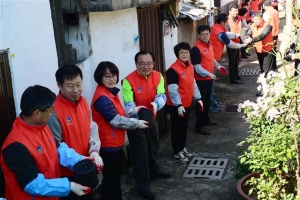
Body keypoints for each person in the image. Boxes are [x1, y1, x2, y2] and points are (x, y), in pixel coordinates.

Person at [0, 85, 95, 200]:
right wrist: (68, 186)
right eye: (50, 110)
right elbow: (32, 184)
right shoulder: (16, 146)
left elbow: (58, 148)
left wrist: (79, 160)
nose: (53, 113)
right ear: (37, 113)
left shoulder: (41, 126)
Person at [91, 61, 149, 200]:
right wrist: (137, 123)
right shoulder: (102, 98)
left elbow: (119, 113)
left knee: (116, 178)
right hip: (107, 145)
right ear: (100, 78)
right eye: (107, 76)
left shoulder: (110, 93)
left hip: (115, 143)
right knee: (111, 180)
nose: (112, 79)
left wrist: (133, 110)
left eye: (114, 75)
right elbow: (115, 121)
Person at [47, 65, 103, 200]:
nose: (76, 90)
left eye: (78, 84)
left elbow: (92, 127)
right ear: (59, 86)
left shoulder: (83, 101)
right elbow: (55, 146)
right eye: (70, 86)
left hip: (87, 166)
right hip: (68, 173)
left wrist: (94, 151)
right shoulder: (53, 112)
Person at [121, 50, 171, 200]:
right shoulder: (128, 81)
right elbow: (129, 107)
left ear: (153, 63)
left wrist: (156, 105)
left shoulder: (158, 76)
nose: (146, 66)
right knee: (140, 153)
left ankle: (155, 171)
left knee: (153, 145)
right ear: (136, 64)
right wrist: (137, 120)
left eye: (149, 63)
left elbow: (162, 95)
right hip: (135, 121)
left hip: (151, 116)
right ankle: (143, 185)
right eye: (141, 63)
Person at [165, 42, 203, 163]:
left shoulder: (190, 66)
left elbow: (193, 83)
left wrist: (198, 98)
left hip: (187, 104)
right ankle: (177, 152)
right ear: (177, 54)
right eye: (182, 52)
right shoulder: (173, 70)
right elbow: (172, 90)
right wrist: (178, 105)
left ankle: (181, 147)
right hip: (176, 106)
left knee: (184, 128)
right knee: (176, 129)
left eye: (186, 52)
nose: (185, 54)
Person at [191, 25, 227, 136]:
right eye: (202, 34)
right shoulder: (196, 48)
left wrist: (219, 66)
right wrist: (208, 74)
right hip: (200, 80)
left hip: (209, 78)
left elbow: (212, 59)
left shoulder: (210, 44)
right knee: (201, 103)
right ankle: (199, 126)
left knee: (207, 101)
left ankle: (206, 119)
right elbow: (196, 66)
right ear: (198, 35)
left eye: (207, 34)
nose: (205, 36)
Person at [210, 13, 248, 112]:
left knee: (211, 82)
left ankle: (213, 100)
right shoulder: (220, 32)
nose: (227, 24)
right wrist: (241, 46)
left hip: (212, 58)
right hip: (211, 60)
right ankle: (211, 104)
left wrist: (237, 35)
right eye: (226, 22)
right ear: (222, 22)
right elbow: (230, 44)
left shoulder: (214, 28)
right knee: (210, 83)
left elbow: (226, 35)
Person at [247, 12, 274, 77]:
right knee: (261, 67)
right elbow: (248, 33)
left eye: (257, 19)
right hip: (258, 49)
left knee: (266, 68)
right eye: (254, 19)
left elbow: (263, 35)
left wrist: (252, 40)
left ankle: (268, 80)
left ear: (261, 18)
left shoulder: (268, 26)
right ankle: (264, 77)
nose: (255, 21)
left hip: (267, 50)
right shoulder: (253, 25)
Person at [227, 3, 248, 84]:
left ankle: (236, 74)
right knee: (232, 62)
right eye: (234, 11)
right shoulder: (227, 20)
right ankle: (232, 78)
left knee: (236, 60)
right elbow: (226, 33)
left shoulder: (239, 18)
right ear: (230, 11)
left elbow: (244, 27)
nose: (235, 12)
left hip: (238, 42)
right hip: (231, 43)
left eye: (236, 10)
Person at [263, 0, 279, 70]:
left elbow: (266, 24)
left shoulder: (266, 13)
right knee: (274, 49)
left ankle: (271, 67)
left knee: (269, 50)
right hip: (276, 32)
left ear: (265, 6)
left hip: (270, 33)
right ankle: (274, 65)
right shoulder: (275, 11)